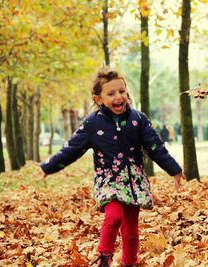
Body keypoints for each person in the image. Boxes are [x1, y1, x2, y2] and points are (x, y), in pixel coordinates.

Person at [40, 67, 186, 267]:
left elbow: (155, 146)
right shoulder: (92, 124)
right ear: (98, 99)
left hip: (134, 181)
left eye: (122, 91)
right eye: (111, 93)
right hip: (108, 180)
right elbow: (72, 149)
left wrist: (174, 169)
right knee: (114, 216)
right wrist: (48, 166)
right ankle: (104, 258)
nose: (119, 97)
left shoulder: (138, 119)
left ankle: (129, 263)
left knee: (131, 232)